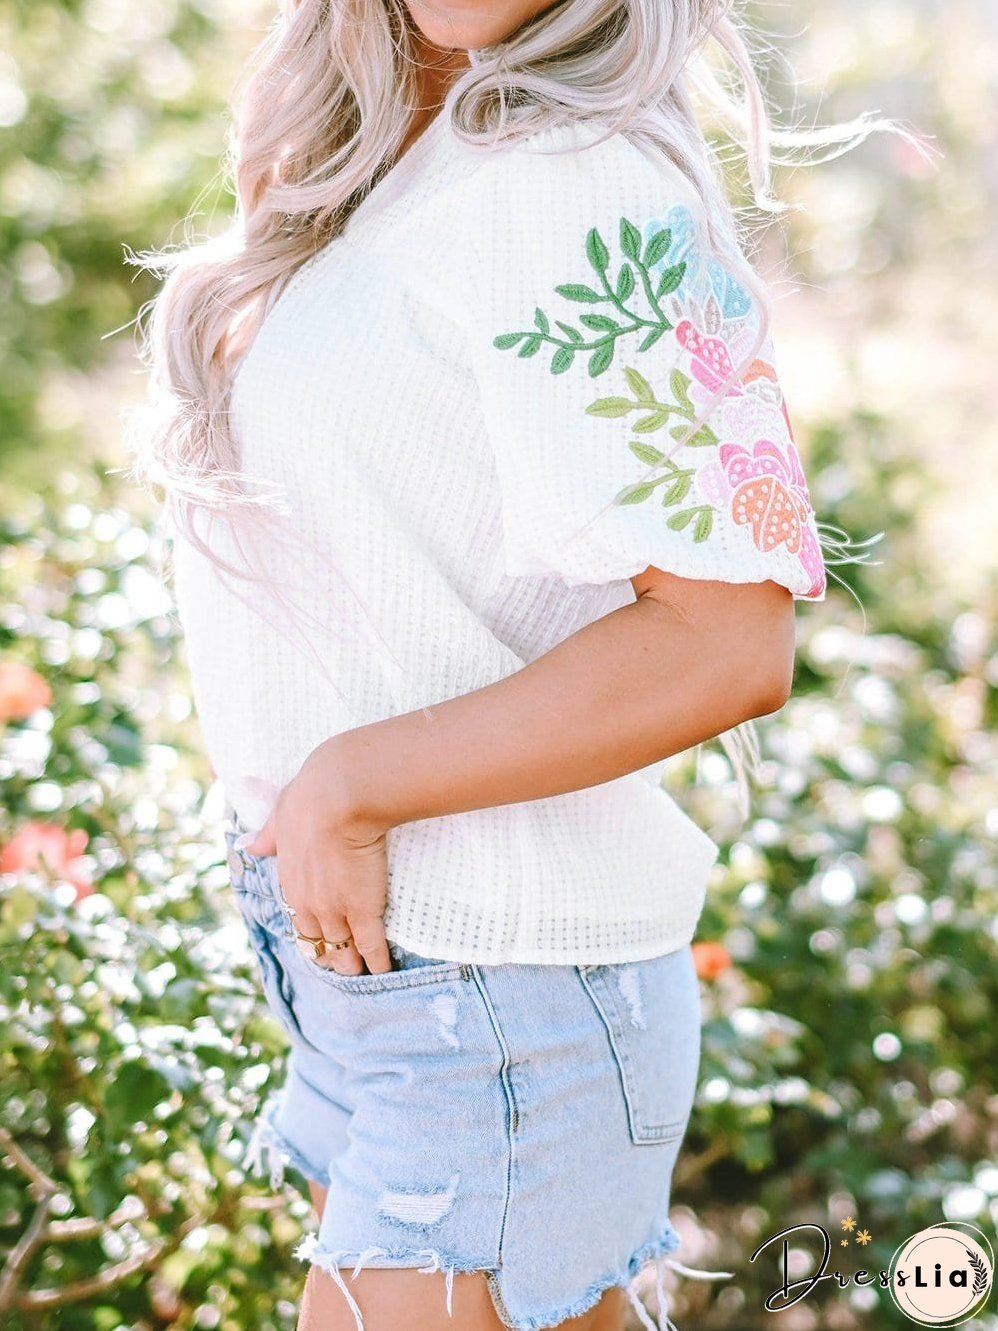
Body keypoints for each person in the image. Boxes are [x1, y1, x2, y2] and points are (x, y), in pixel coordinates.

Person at [123, 1, 889, 1327]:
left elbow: (726, 636)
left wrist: (349, 787)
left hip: (490, 993)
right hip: (388, 972)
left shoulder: (571, 177)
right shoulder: (400, 147)